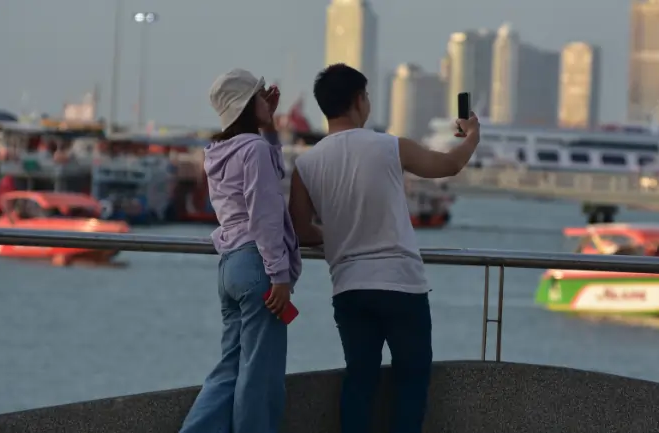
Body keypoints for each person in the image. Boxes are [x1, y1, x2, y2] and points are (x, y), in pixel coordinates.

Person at [288, 63, 480, 433]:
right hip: (400, 283)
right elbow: (450, 164)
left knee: (359, 381)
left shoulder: (306, 165)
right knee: (411, 379)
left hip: (348, 286)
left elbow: (299, 230)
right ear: (359, 100)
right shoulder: (390, 146)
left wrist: (339, 234)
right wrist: (471, 136)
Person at [179, 68, 301, 433]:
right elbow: (265, 214)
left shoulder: (218, 151)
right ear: (248, 104)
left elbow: (270, 169)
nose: (267, 98)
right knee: (260, 374)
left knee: (229, 368)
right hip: (258, 265)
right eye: (260, 95)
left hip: (230, 267)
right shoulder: (255, 149)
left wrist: (270, 123)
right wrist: (279, 275)